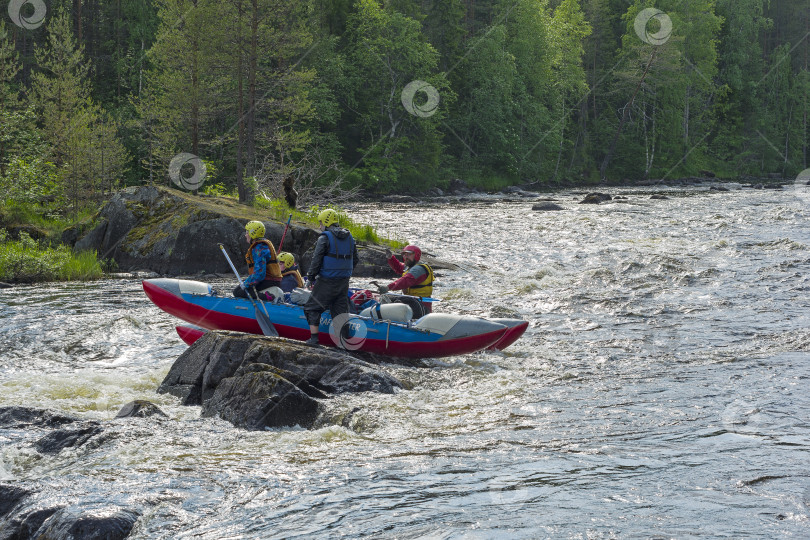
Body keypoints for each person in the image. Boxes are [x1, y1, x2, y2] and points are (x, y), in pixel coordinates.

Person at [303, 209, 359, 346]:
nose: (320, 226)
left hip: (327, 281)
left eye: (320, 223)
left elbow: (316, 260)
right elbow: (356, 259)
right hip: (343, 282)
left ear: (326, 223)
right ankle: (343, 344)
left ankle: (314, 339)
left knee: (311, 307)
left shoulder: (324, 238)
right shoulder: (350, 237)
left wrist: (310, 277)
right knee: (340, 312)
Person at [378, 244, 434, 315]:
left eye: (409, 254)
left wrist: (388, 287)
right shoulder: (410, 266)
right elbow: (399, 267)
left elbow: (405, 281)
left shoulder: (419, 269)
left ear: (416, 255)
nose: (405, 257)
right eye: (404, 254)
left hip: (422, 306)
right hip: (412, 301)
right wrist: (391, 258)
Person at [234, 220, 282, 299]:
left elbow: (259, 274)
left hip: (269, 281)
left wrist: (245, 284)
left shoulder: (259, 248)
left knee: (237, 292)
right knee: (241, 289)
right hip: (273, 280)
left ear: (253, 233)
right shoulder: (262, 245)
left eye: (247, 232)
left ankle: (266, 297)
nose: (246, 235)